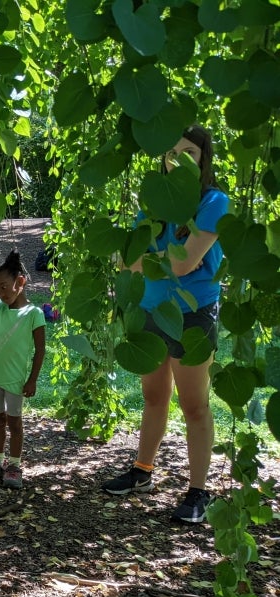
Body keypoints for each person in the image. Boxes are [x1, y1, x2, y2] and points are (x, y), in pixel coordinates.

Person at [102, 124, 229, 525]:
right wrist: (140, 263)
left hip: (192, 315)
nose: (177, 161)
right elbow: (129, 259)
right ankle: (143, 471)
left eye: (188, 153)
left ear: (203, 159)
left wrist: (139, 262)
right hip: (149, 309)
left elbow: (183, 264)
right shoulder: (154, 203)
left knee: (194, 405)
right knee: (154, 396)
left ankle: (198, 491)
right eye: (171, 153)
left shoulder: (213, 202)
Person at [0, 250, 47, 489]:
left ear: (20, 282)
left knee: (15, 423)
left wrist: (32, 380)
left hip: (15, 378)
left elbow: (40, 351)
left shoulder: (33, 314)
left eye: (4, 287)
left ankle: (14, 465)